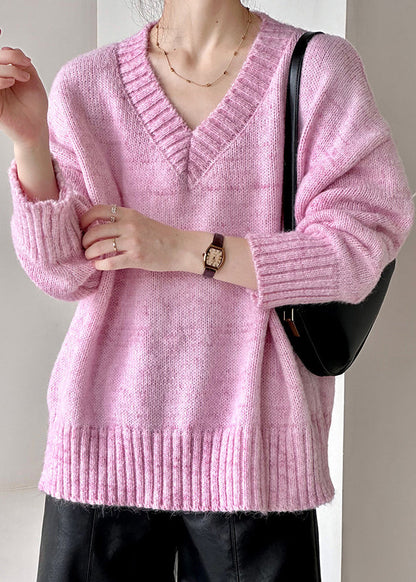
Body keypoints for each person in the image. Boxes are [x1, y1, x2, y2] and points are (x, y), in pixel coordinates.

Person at [2, 0, 414, 580]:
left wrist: (181, 248)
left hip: (254, 459)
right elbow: (63, 272)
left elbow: (358, 248)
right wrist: (29, 143)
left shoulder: (317, 71)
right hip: (102, 449)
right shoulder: (87, 87)